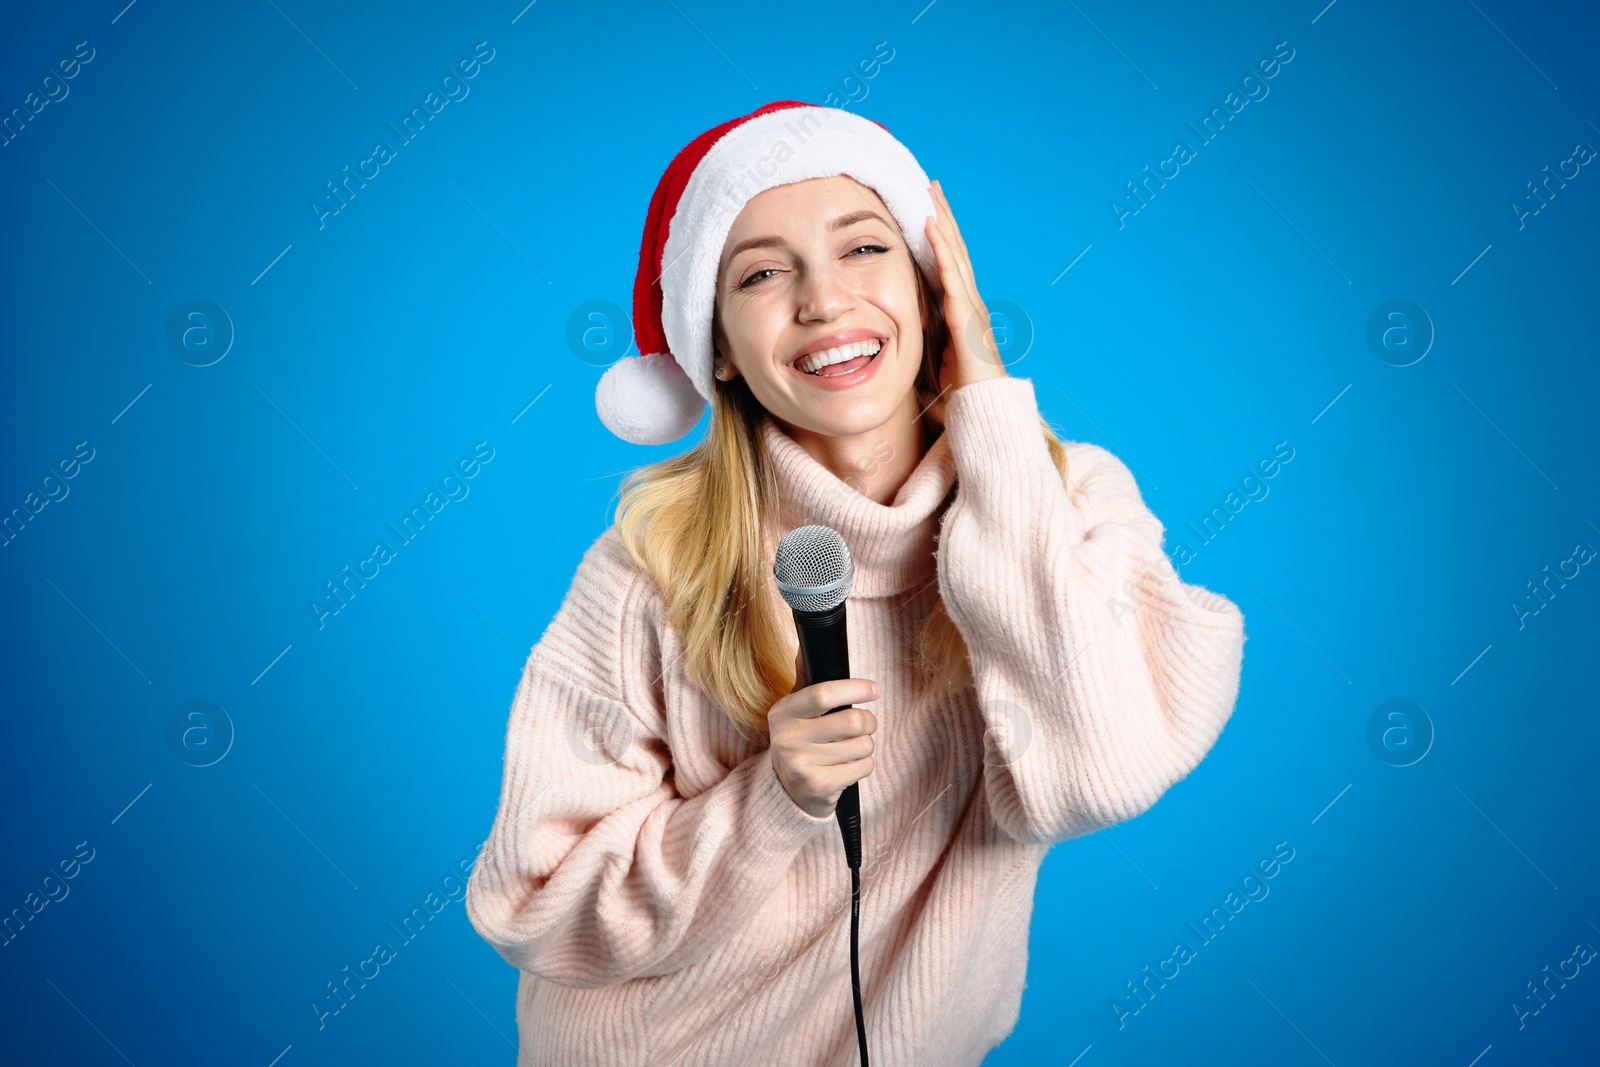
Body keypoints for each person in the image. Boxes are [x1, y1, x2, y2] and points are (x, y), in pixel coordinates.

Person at [465, 100, 1247, 1066]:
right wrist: (770, 800)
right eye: (760, 272)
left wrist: (989, 421)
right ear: (713, 346)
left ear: (931, 288)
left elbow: (1099, 773)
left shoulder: (1067, 499)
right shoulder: (650, 568)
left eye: (865, 250)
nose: (824, 301)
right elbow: (536, 904)